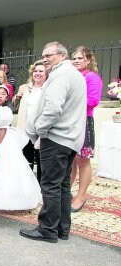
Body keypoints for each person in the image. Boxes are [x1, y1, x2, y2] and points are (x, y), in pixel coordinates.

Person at [20, 41, 86, 243]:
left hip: (56, 138)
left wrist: (41, 130)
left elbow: (53, 108)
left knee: (50, 185)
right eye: (43, 55)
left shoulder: (61, 75)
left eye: (50, 55)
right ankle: (61, 229)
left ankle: (47, 229)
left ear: (63, 56)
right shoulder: (73, 75)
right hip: (69, 138)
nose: (45, 58)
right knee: (62, 185)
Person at [0, 85, 42, 210]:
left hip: (1, 141)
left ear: (7, 97)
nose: (0, 96)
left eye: (3, 94)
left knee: (4, 167)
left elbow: (3, 130)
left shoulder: (5, 111)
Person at [69, 46, 103, 213]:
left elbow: (93, 101)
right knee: (71, 160)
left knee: (82, 160)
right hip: (70, 121)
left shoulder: (91, 77)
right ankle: (65, 192)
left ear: (88, 60)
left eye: (80, 58)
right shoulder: (73, 77)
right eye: (74, 58)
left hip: (83, 121)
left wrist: (71, 102)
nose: (76, 61)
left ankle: (81, 196)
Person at [13, 60, 47, 181]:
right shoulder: (25, 87)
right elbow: (15, 105)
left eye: (41, 71)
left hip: (41, 129)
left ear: (46, 73)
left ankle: (40, 189)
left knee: (41, 160)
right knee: (26, 159)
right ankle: (27, 186)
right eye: (35, 71)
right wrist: (17, 97)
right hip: (25, 128)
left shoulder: (48, 88)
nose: (37, 73)